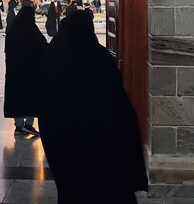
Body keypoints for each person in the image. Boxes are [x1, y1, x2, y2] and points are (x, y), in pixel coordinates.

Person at [39, 11, 148, 204]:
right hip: (104, 146)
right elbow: (119, 106)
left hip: (67, 145)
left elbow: (46, 104)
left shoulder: (54, 57)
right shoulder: (99, 58)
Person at [4, 6, 47, 136]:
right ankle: (28, 125)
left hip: (15, 71)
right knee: (30, 97)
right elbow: (42, 46)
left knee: (17, 96)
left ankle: (19, 125)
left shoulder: (13, 30)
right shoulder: (31, 30)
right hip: (30, 71)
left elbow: (7, 50)